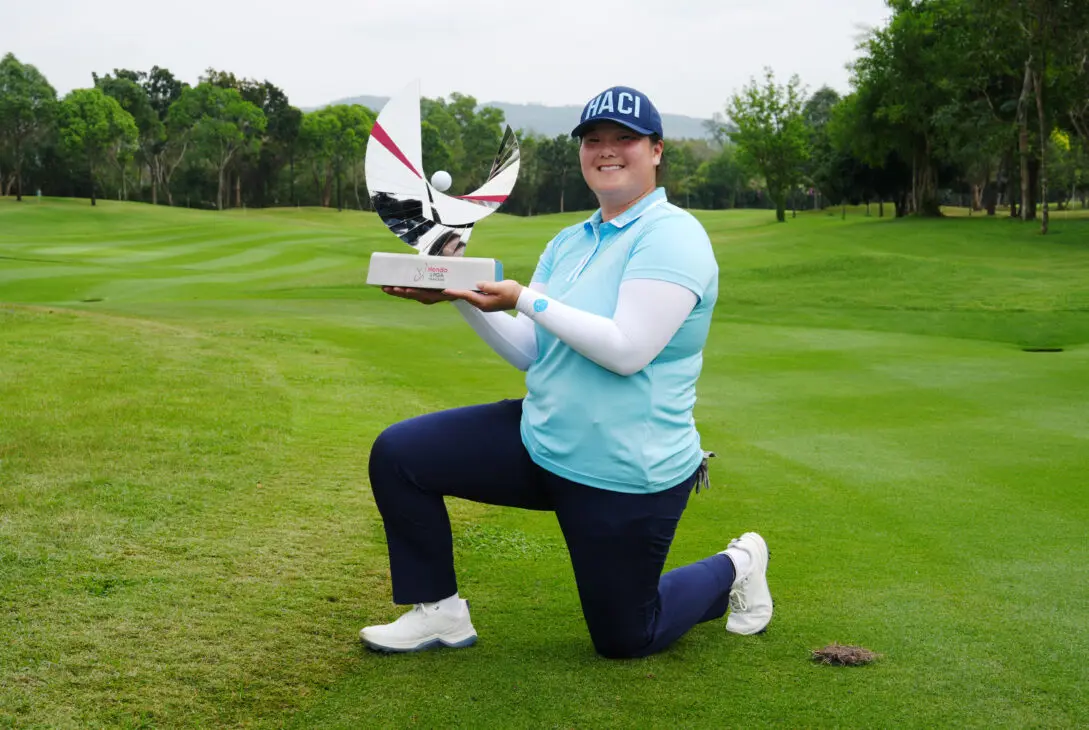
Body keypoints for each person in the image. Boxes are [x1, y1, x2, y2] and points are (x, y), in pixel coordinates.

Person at [360, 85, 773, 658]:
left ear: (655, 150)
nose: (607, 150)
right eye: (593, 140)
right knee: (401, 455)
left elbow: (628, 350)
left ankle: (739, 563)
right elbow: (535, 350)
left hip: (625, 469)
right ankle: (439, 612)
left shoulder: (673, 236)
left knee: (628, 637)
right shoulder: (571, 241)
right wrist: (455, 292)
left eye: (624, 139)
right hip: (544, 442)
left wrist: (524, 297)